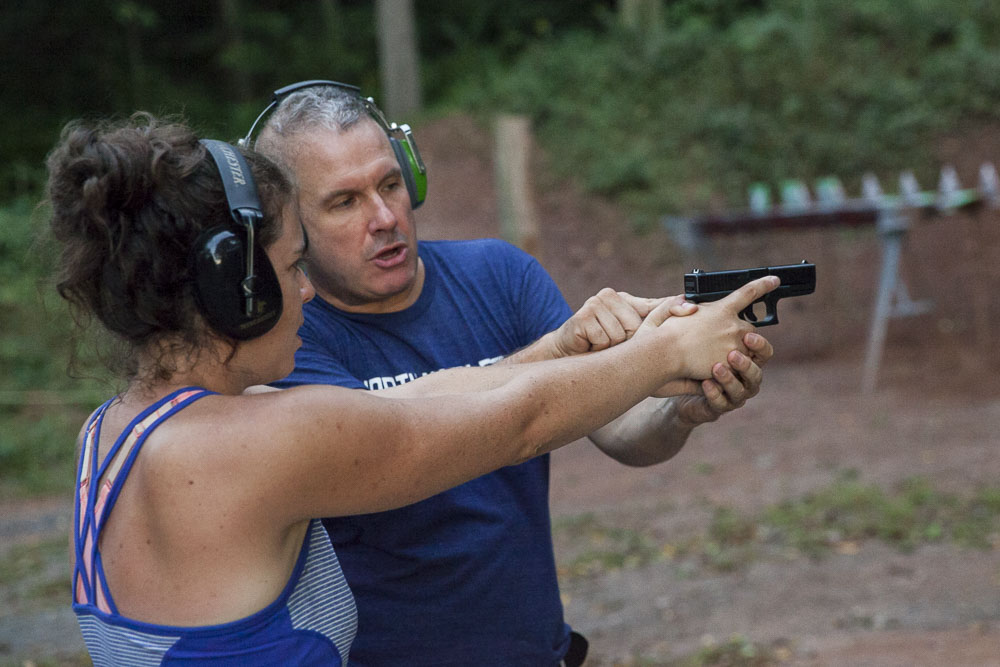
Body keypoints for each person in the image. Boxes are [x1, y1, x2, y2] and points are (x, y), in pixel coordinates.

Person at [47, 113, 778, 665]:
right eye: (293, 266)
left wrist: (566, 348)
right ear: (234, 289)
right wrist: (663, 352)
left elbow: (417, 400)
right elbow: (518, 424)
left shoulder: (114, 432)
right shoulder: (261, 442)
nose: (305, 291)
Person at [253, 81, 776, 665]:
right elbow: (383, 434)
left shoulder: (502, 275)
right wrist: (560, 352)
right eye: (344, 202)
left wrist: (680, 412)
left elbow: (623, 433)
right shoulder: (283, 340)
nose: (384, 217)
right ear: (290, 226)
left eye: (391, 184)